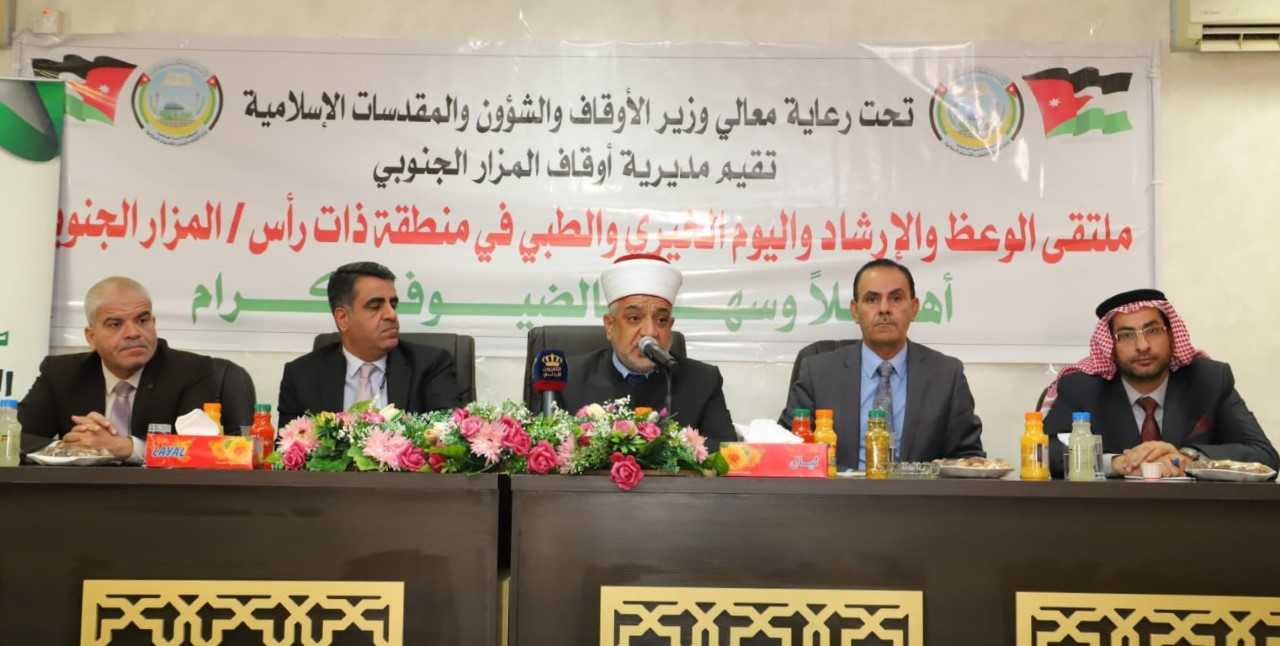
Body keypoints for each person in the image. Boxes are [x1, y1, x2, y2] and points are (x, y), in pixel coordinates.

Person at [1042, 288, 1277, 478]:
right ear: (1110, 347)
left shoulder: (1208, 380)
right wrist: (1115, 463)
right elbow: (1046, 452)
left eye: (1153, 331)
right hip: (1109, 515)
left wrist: (1188, 457)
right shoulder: (1083, 387)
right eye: (1126, 335)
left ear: (1172, 336)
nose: (1142, 346)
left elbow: (1264, 455)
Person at [779, 259, 984, 469]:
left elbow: (968, 458)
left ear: (914, 308)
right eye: (872, 299)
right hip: (838, 489)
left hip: (918, 490)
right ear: (855, 310)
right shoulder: (817, 373)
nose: (884, 309)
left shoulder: (946, 375)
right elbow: (785, 448)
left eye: (896, 298)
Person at [531, 254, 736, 449]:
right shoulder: (567, 379)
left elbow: (727, 455)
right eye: (634, 318)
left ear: (670, 326)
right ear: (610, 326)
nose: (650, 332)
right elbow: (546, 452)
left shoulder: (703, 381)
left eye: (661, 320)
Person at [18, 276, 220, 463]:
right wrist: (70, 448)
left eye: (142, 320)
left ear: (153, 323)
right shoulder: (61, 373)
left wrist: (126, 448)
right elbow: (13, 437)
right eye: (115, 324)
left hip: (162, 489)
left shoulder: (191, 371)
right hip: (81, 489)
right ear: (91, 337)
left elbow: (202, 449)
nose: (133, 333)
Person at [278, 262, 466, 425]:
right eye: (375, 306)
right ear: (343, 318)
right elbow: (289, 449)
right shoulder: (301, 376)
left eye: (393, 305)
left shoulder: (431, 366)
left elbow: (447, 440)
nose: (391, 315)